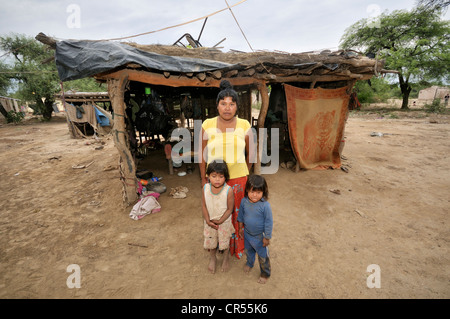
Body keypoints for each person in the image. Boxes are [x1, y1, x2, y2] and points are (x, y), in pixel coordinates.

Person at [199, 80, 255, 259]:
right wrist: (203, 179)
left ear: (237, 106)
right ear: (217, 106)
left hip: (238, 180)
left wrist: (243, 171)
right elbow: (201, 155)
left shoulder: (245, 125)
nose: (227, 108)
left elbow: (251, 154)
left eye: (232, 104)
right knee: (216, 214)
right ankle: (218, 247)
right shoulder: (207, 125)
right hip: (215, 181)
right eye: (223, 103)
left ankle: (235, 247)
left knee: (237, 215)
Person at [237, 175, 273, 284]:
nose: (255, 195)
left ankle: (265, 273)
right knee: (249, 251)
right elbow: (241, 215)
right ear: (247, 189)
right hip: (247, 234)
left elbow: (268, 222)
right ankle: (250, 263)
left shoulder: (265, 206)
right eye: (252, 191)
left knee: (263, 257)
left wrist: (267, 237)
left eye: (258, 192)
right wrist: (240, 228)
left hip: (259, 237)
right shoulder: (244, 201)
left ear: (263, 192)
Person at [202, 161, 235, 273]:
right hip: (209, 222)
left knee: (224, 241)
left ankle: (225, 258)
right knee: (211, 241)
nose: (217, 179)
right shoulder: (205, 188)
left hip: (224, 222)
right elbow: (204, 205)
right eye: (214, 176)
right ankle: (213, 258)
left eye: (221, 176)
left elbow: (230, 209)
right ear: (208, 176)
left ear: (226, 177)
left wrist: (220, 221)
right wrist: (207, 220)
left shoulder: (228, 191)